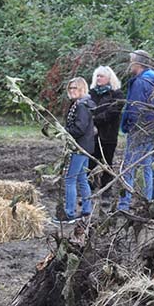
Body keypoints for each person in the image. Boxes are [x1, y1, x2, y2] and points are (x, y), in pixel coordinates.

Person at [118, 50, 154, 212]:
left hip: (139, 131)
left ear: (137, 63)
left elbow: (134, 108)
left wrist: (130, 126)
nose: (129, 64)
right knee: (149, 166)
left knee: (129, 167)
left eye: (130, 61)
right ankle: (152, 200)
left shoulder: (140, 82)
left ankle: (124, 205)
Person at [60, 77, 95, 223]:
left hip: (79, 147)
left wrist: (64, 131)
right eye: (70, 88)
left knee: (70, 179)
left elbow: (80, 128)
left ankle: (69, 213)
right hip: (85, 146)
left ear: (82, 89)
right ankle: (86, 210)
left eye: (75, 88)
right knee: (82, 179)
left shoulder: (81, 106)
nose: (72, 91)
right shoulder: (83, 104)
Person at [88, 65, 123, 191]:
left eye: (101, 76)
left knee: (107, 163)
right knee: (90, 162)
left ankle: (106, 190)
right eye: (97, 76)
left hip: (108, 135)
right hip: (92, 135)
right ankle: (89, 189)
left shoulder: (117, 94)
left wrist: (95, 119)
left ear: (109, 78)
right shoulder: (90, 93)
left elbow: (113, 113)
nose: (98, 78)